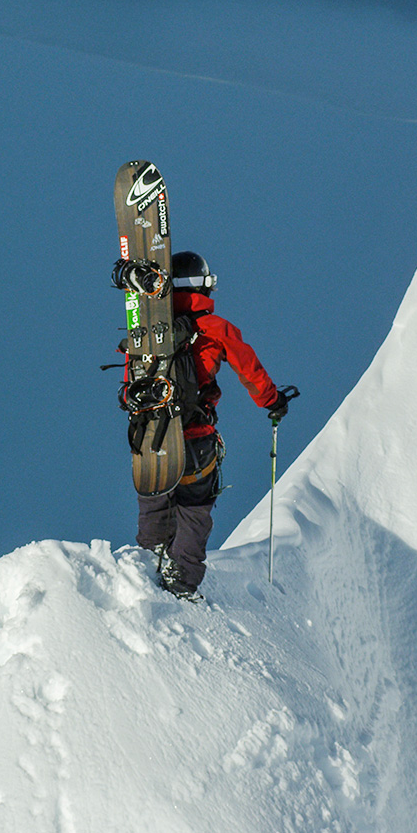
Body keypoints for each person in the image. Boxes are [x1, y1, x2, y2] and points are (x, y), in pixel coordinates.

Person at [119, 250, 293, 599]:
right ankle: (181, 580)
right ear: (203, 286)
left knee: (156, 497)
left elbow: (130, 381)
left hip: (151, 436)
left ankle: (145, 560)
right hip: (196, 440)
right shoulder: (214, 328)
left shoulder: (148, 333)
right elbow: (251, 370)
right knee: (194, 510)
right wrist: (273, 401)